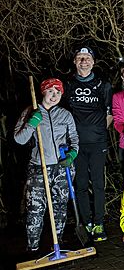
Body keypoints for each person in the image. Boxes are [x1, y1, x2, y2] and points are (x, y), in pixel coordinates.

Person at [14, 78, 79, 251]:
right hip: (38, 167)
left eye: (58, 92)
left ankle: (57, 244)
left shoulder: (65, 114)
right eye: (51, 91)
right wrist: (31, 123)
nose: (54, 95)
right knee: (35, 208)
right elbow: (19, 139)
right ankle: (32, 248)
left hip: (61, 168)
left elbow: (74, 138)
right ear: (43, 92)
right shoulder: (30, 112)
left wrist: (72, 154)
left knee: (60, 206)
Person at [63, 47, 112, 241]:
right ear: (75, 61)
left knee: (99, 184)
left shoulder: (103, 85)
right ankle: (86, 222)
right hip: (76, 144)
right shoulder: (67, 84)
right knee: (81, 184)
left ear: (93, 62)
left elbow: (109, 114)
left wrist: (98, 133)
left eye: (88, 58)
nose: (84, 61)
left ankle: (99, 223)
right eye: (80, 58)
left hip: (97, 142)